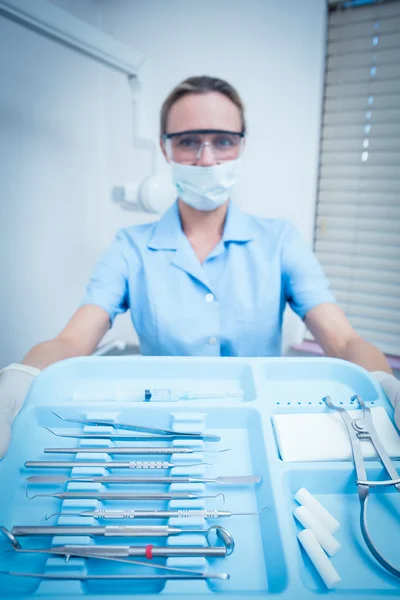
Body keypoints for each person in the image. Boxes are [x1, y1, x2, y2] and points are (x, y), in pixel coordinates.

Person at [0, 76, 398, 457]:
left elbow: (344, 342)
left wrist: (384, 383)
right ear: (166, 148)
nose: (206, 159)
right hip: (159, 431)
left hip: (260, 430)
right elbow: (71, 342)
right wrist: (21, 375)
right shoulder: (131, 247)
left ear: (241, 146)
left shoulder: (280, 241)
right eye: (189, 141)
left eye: (223, 141)